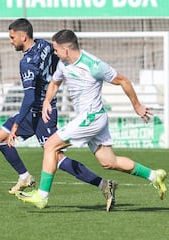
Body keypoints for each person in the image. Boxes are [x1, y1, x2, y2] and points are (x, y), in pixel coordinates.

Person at [16, 29, 167, 209]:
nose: (53, 53)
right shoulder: (63, 64)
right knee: (109, 162)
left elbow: (123, 81)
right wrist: (47, 100)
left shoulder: (94, 65)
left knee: (50, 145)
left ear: (66, 50)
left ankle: (42, 196)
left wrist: (137, 106)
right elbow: (55, 83)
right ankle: (154, 175)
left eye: (56, 50)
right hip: (90, 117)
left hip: (92, 117)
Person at [0, 18, 117, 212]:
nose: (10, 41)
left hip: (43, 112)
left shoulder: (26, 63)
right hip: (34, 111)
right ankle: (25, 176)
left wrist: (17, 124)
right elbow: (61, 55)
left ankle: (104, 185)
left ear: (23, 36)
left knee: (57, 157)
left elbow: (29, 96)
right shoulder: (44, 44)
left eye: (12, 37)